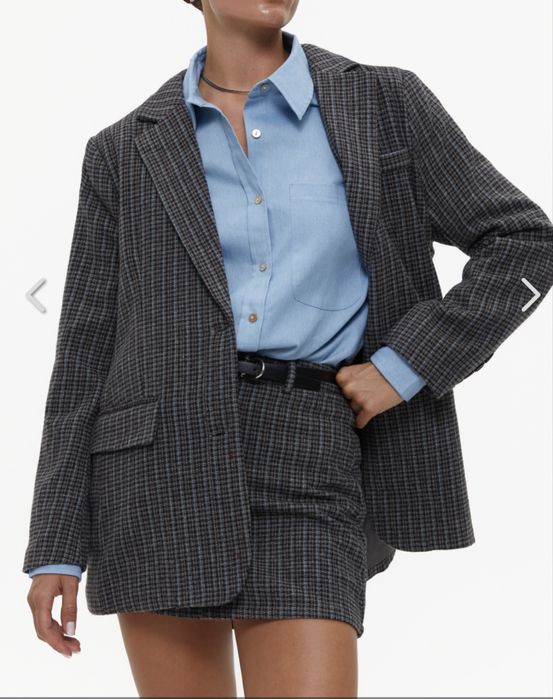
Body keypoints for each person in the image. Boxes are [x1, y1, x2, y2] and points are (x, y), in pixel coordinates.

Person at [23, 0, 553, 696]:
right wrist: (55, 544)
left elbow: (524, 241)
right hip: (155, 467)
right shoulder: (124, 150)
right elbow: (84, 355)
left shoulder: (383, 102)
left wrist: (406, 365)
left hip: (311, 448)